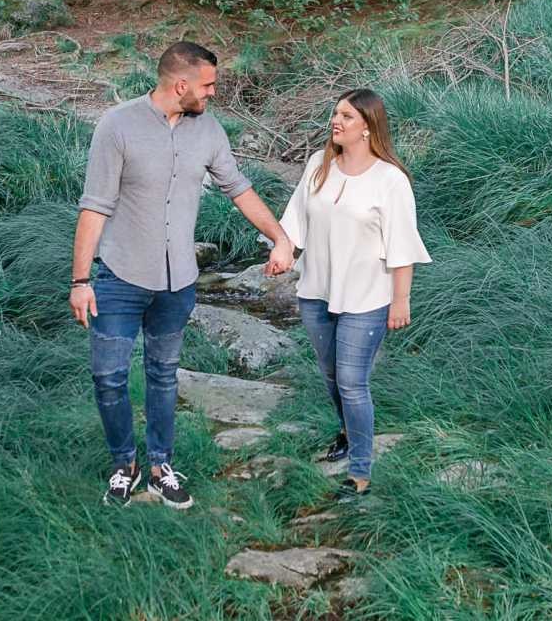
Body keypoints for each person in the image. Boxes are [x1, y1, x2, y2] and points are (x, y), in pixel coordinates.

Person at [71, 41, 294, 508]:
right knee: (109, 376)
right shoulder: (118, 126)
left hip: (178, 283)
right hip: (120, 277)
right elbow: (95, 206)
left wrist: (281, 237)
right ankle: (122, 465)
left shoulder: (208, 130)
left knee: (164, 374)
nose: (213, 93)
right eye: (208, 84)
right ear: (181, 84)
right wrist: (80, 281)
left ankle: (159, 467)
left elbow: (239, 188)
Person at [279, 89, 431, 498]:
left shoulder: (390, 180)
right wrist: (283, 248)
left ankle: (360, 473)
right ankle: (347, 430)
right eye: (334, 114)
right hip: (316, 292)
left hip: (367, 298)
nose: (336, 121)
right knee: (330, 374)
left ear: (368, 126)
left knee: (352, 381)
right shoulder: (319, 164)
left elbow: (402, 244)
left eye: (346, 116)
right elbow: (295, 219)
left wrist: (401, 300)